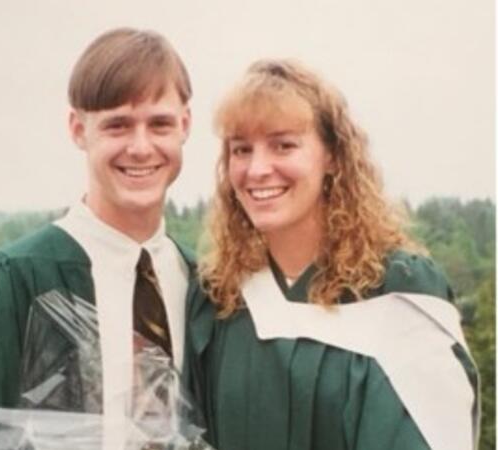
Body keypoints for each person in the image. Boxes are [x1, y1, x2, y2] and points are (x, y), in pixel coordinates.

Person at [187, 60, 479, 450]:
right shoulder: (218, 301)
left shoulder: (400, 294)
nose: (257, 169)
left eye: (283, 145)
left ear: (333, 156)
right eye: (241, 149)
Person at [0, 27, 194, 450]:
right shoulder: (14, 281)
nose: (141, 147)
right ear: (77, 129)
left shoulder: (200, 284)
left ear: (185, 125)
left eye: (159, 124)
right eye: (117, 125)